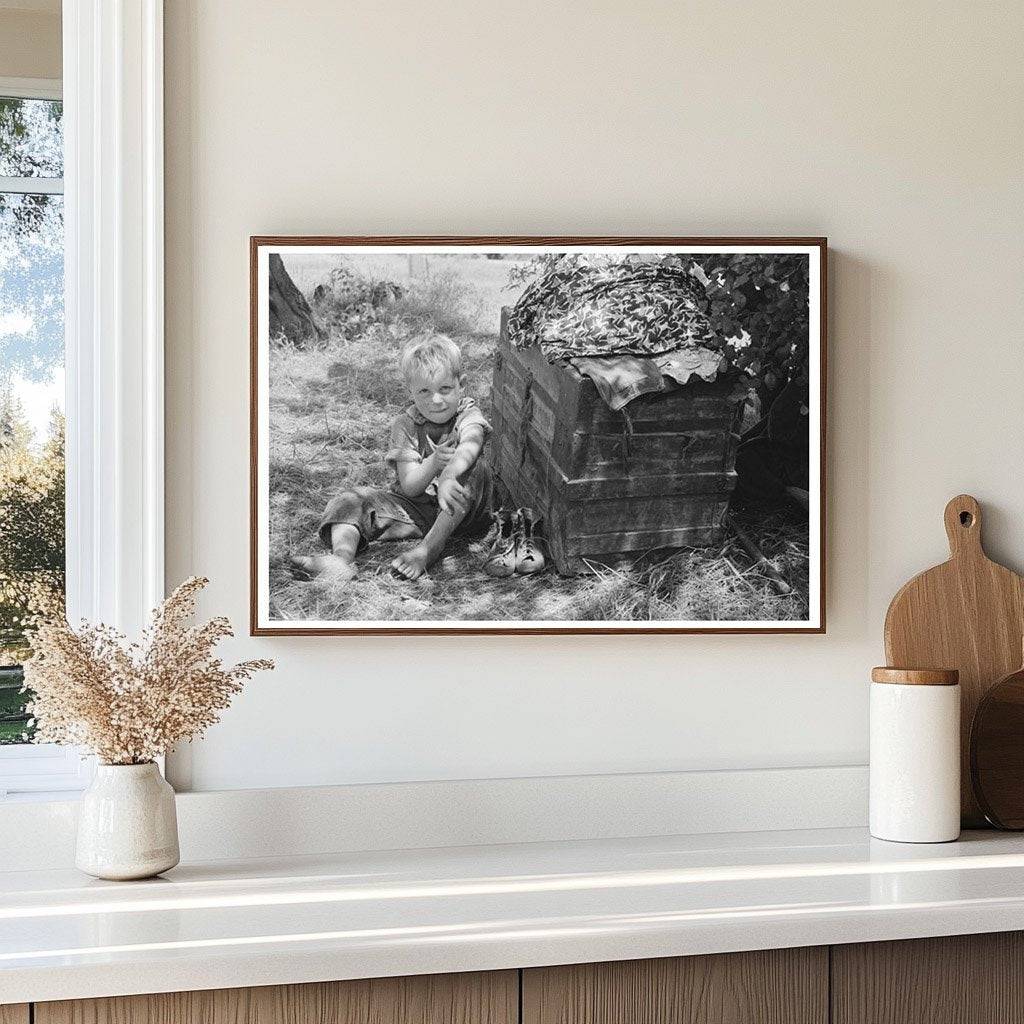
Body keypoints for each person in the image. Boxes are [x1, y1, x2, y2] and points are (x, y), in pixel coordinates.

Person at [292, 333, 493, 583]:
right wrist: (434, 463)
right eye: (424, 391)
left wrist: (450, 475)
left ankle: (429, 549)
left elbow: (471, 444)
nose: (436, 400)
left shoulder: (468, 413)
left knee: (474, 467)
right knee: (350, 500)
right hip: (419, 510)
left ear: (461, 384)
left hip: (466, 509)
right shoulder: (405, 425)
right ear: (410, 391)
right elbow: (410, 486)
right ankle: (341, 560)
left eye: (445, 389)